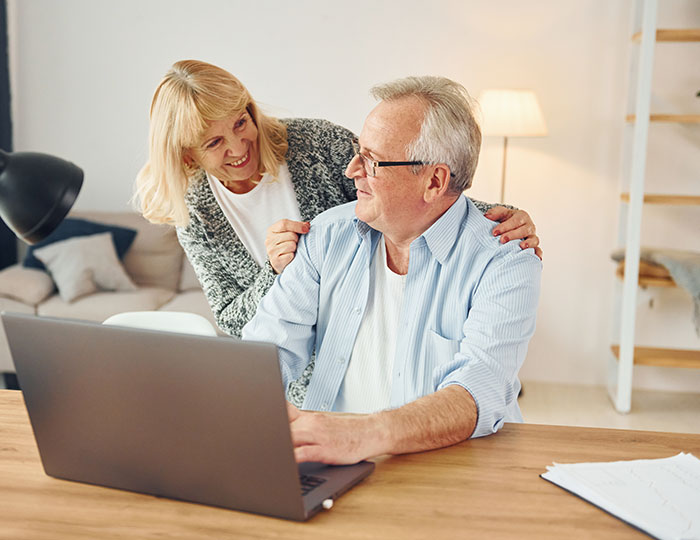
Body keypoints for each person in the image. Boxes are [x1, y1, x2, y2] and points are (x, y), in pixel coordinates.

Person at [135, 60, 541, 403]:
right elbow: (244, 329)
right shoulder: (197, 210)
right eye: (215, 142)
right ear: (188, 153)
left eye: (241, 122)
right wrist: (276, 272)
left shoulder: (316, 143)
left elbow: (410, 186)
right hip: (307, 393)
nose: (239, 146)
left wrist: (492, 219)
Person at [241, 75, 542, 465]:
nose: (352, 171)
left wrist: (363, 435)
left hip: (450, 469)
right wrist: (254, 402)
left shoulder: (505, 259)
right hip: (329, 462)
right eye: (357, 153)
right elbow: (265, 352)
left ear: (434, 181)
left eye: (372, 160)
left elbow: (478, 390)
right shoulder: (326, 236)